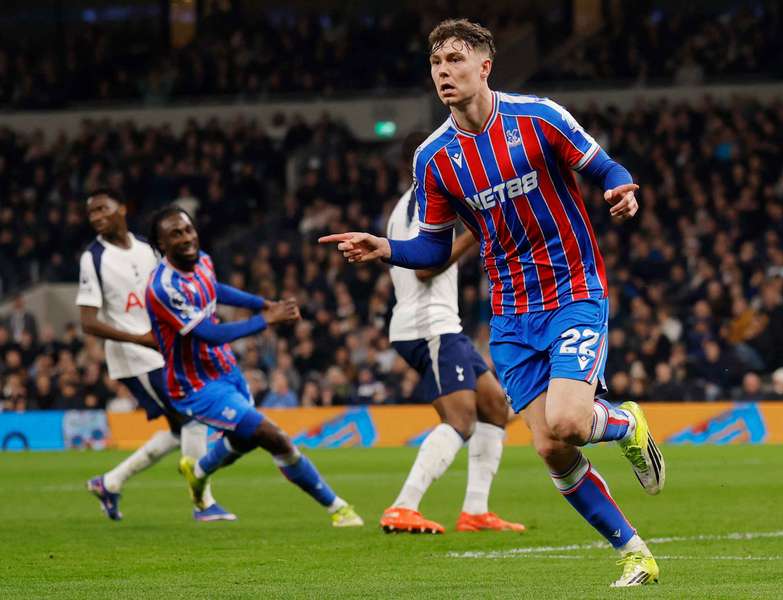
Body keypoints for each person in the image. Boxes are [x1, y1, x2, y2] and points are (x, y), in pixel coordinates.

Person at [321, 19, 664, 587]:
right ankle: (634, 553)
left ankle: (626, 424)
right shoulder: (433, 157)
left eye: (455, 59)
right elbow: (433, 248)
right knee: (551, 448)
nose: (443, 71)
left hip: (573, 290)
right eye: (436, 62)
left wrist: (620, 188)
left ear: (485, 67)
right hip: (509, 314)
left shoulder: (538, 117)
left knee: (570, 421)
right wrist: (386, 248)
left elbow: (604, 165)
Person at [145, 205, 362, 528]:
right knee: (271, 435)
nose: (187, 238)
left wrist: (262, 304)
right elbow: (209, 333)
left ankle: (199, 471)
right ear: (161, 244)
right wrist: (266, 319)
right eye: (176, 234)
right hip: (195, 384)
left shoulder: (202, 260)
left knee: (246, 438)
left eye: (188, 229)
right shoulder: (163, 288)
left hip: (225, 369)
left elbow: (216, 290)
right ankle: (338, 508)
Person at [379, 132, 524, 535]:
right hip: (429, 325)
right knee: (460, 419)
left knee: (494, 407)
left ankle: (476, 510)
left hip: (441, 325)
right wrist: (475, 234)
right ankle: (403, 506)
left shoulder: (414, 203)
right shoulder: (421, 203)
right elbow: (424, 269)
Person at [77, 189, 233, 522]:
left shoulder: (147, 247)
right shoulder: (94, 257)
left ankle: (110, 482)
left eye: (102, 208)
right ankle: (203, 503)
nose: (96, 217)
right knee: (193, 416)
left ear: (122, 208)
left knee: (180, 430)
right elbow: (88, 321)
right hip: (135, 357)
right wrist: (140, 339)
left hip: (166, 350)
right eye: (91, 213)